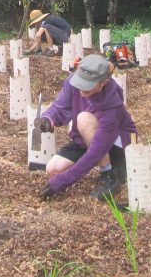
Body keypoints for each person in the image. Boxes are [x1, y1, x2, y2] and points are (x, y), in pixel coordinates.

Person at [36, 54, 138, 200]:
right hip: (86, 138)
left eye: (88, 86)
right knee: (52, 169)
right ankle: (103, 166)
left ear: (103, 82)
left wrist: (62, 182)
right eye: (80, 82)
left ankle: (108, 173)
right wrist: (48, 117)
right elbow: (60, 105)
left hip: (115, 143)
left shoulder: (111, 103)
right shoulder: (73, 82)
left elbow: (96, 151)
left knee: (83, 119)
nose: (81, 89)